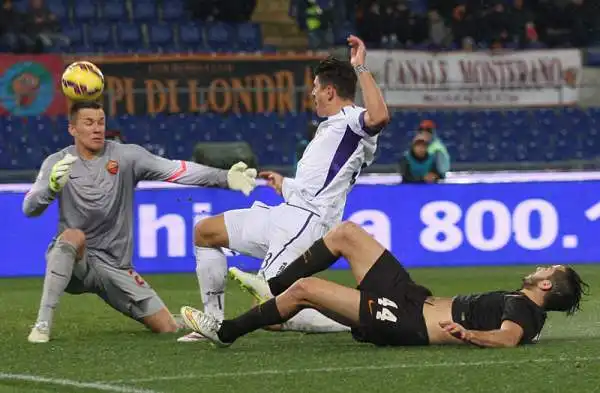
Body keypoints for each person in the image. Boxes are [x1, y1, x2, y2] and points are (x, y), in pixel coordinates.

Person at [179, 35, 390, 342]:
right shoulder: (330, 127)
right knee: (205, 231)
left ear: (330, 91)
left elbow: (380, 116)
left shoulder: (352, 120)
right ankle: (212, 319)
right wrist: (285, 183)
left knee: (272, 312)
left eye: (316, 88)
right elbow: (317, 184)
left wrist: (360, 68)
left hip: (305, 224)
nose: (313, 94)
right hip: (286, 213)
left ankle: (361, 322)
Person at [23, 101, 257, 343]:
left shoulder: (126, 156)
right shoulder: (57, 162)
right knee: (73, 236)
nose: (97, 129)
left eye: (100, 122)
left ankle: (198, 323)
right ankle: (42, 324)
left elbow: (177, 169)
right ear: (72, 129)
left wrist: (224, 177)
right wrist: (50, 189)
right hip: (77, 263)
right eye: (88, 123)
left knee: (166, 326)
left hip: (116, 267)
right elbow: (29, 208)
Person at [181, 221, 588, 348]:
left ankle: (226, 332)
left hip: (406, 321)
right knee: (346, 234)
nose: (540, 268)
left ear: (548, 287)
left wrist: (467, 333)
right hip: (413, 297)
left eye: (547, 270)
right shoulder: (523, 303)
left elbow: (507, 339)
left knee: (307, 290)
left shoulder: (525, 311)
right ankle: (273, 285)